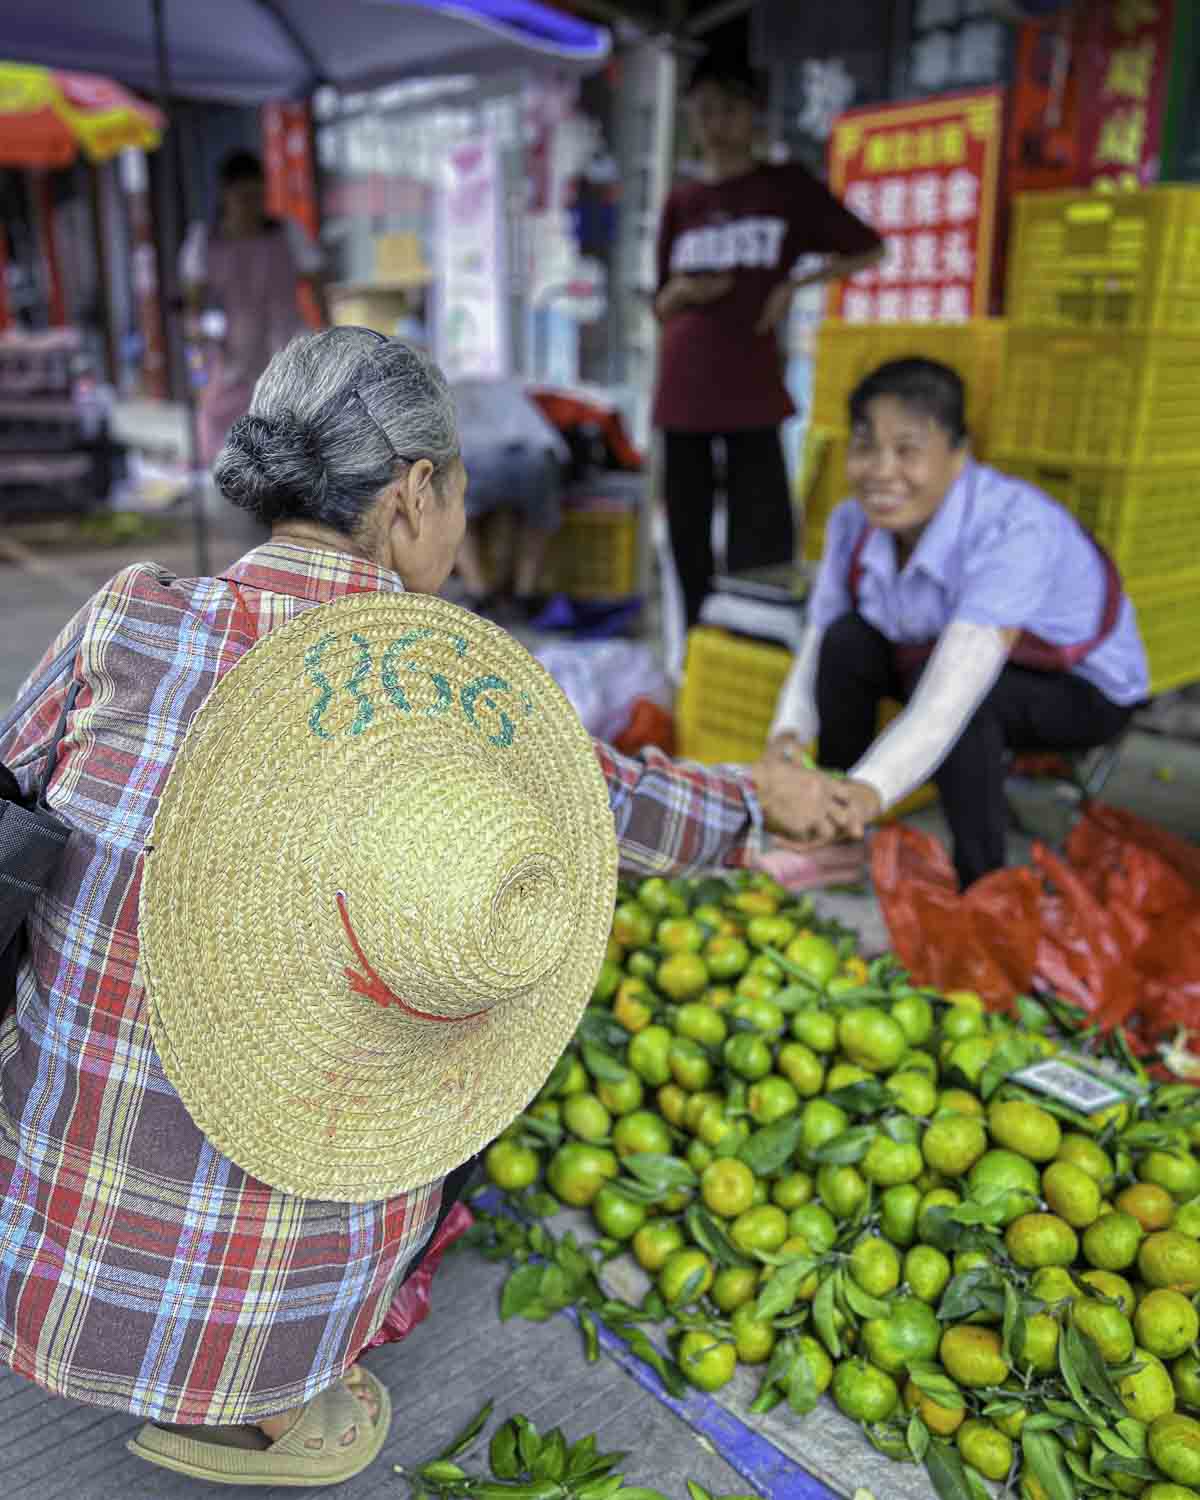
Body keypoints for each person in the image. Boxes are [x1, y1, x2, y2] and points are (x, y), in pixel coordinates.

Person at [0, 327, 828, 1489]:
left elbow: (12, 786)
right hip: (256, 1315)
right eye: (459, 498)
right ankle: (274, 1396)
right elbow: (617, 812)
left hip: (41, 1261)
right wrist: (760, 805)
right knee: (453, 991)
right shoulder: (452, 689)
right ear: (412, 492)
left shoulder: (131, 613)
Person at [767, 357, 1150, 890]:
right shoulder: (852, 522)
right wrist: (783, 745)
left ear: (957, 453)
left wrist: (871, 791)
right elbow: (818, 638)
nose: (881, 471)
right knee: (845, 642)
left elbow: (953, 692)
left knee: (967, 707)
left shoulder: (1014, 528)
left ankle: (983, 887)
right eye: (865, 446)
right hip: (932, 660)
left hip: (1084, 692)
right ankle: (838, 835)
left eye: (907, 450)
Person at [653, 53, 883, 632]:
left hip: (750, 387)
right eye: (703, 109)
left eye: (728, 108)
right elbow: (659, 303)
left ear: (753, 114)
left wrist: (792, 285)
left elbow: (868, 248)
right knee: (687, 535)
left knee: (764, 531)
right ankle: (698, 650)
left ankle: (754, 643)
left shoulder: (783, 187)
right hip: (681, 391)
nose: (715, 122)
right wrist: (681, 292)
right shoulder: (682, 201)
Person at [181, 150, 329, 468]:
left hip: (284, 350)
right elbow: (192, 309)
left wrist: (328, 332)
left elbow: (316, 283)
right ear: (225, 196)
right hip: (230, 360)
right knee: (224, 436)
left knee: (291, 435)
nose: (251, 205)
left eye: (257, 195)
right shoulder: (204, 242)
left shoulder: (287, 234)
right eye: (243, 197)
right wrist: (198, 348)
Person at [448, 374, 568, 620]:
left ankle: (478, 593)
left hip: (474, 457)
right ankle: (526, 592)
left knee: (456, 522)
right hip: (534, 456)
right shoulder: (515, 390)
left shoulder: (447, 392)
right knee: (536, 522)